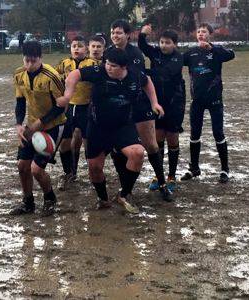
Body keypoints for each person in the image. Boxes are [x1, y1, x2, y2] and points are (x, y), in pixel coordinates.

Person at [63, 48, 153, 212]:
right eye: (107, 63)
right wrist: (68, 95)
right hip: (98, 127)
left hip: (123, 126)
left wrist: (155, 103)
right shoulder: (98, 71)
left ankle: (124, 194)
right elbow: (74, 75)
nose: (108, 67)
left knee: (138, 153)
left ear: (123, 67)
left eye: (113, 65)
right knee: (94, 167)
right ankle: (103, 199)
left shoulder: (134, 75)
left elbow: (147, 82)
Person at [104, 19, 171, 201]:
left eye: (118, 33)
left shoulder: (135, 54)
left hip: (139, 105)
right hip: (117, 107)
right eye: (112, 32)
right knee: (118, 147)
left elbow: (142, 80)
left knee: (151, 145)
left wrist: (153, 103)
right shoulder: (108, 53)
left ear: (127, 35)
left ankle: (162, 183)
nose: (115, 36)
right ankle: (126, 186)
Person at [10, 41, 67, 217]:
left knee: (36, 169)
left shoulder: (52, 75)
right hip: (31, 125)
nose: (29, 64)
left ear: (40, 58)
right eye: (26, 60)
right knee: (22, 165)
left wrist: (40, 123)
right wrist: (19, 124)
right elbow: (20, 102)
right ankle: (28, 202)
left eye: (33, 61)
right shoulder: (19, 74)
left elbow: (61, 106)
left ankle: (50, 199)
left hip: (53, 126)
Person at [181, 23, 235, 183]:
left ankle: (225, 169)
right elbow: (175, 61)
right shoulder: (191, 53)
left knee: (218, 133)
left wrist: (211, 48)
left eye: (204, 31)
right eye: (198, 31)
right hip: (197, 101)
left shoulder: (217, 51)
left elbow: (231, 55)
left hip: (215, 100)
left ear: (210, 34)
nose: (200, 34)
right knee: (194, 135)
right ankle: (194, 168)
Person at [138, 25, 185, 191]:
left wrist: (146, 72)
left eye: (168, 43)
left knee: (172, 137)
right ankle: (159, 176)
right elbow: (142, 46)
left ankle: (172, 176)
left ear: (175, 44)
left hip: (175, 102)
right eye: (162, 42)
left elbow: (166, 73)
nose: (164, 45)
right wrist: (143, 34)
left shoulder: (178, 58)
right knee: (157, 138)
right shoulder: (155, 53)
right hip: (156, 101)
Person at [55, 36, 97, 190]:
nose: (76, 49)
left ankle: (93, 173)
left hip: (86, 107)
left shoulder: (93, 64)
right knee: (67, 142)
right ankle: (70, 172)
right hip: (69, 108)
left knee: (88, 142)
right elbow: (55, 80)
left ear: (86, 49)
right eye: (74, 46)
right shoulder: (64, 64)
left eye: (80, 46)